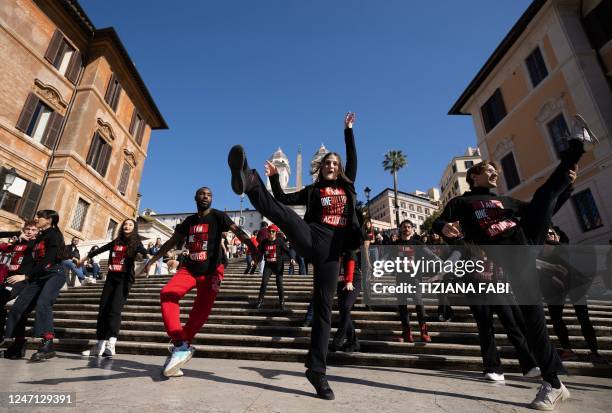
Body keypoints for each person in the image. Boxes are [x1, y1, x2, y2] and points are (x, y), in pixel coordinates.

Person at [433, 114, 597, 411]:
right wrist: (443, 228)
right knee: (532, 323)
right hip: (510, 258)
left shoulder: (506, 201)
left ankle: (577, 147)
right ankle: (555, 384)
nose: (494, 174)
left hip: (526, 237)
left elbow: (542, 207)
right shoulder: (463, 203)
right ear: (473, 177)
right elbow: (442, 221)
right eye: (487, 171)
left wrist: (566, 187)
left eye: (495, 171)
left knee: (544, 194)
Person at [228, 112, 361, 400]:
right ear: (320, 168)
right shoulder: (313, 191)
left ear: (340, 170)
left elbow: (352, 158)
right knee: (285, 215)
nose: (331, 165)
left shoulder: (347, 187)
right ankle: (250, 181)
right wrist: (273, 180)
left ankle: (317, 370)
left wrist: (348, 131)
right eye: (327, 163)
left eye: (335, 164)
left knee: (325, 310)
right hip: (312, 236)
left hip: (333, 252)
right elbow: (284, 200)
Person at [141, 187, 259, 378]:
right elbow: (172, 242)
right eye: (202, 194)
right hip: (190, 268)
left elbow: (237, 231)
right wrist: (152, 260)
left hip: (212, 271)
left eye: (209, 194)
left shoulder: (218, 216)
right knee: (167, 294)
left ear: (212, 199)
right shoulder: (189, 221)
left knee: (201, 309)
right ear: (195, 197)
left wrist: (253, 249)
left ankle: (182, 345)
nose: (205, 196)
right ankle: (180, 343)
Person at [79, 219, 149, 357]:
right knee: (103, 309)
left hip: (124, 279)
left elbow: (144, 252)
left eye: (130, 225)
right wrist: (84, 258)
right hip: (111, 278)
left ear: (134, 228)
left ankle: (111, 344)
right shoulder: (116, 241)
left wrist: (149, 261)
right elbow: (100, 249)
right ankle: (99, 345)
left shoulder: (136, 242)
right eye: (125, 224)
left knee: (115, 310)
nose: (127, 226)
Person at [4, 210, 68, 361]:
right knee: (18, 308)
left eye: (40, 217)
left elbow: (48, 259)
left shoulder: (54, 235)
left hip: (54, 273)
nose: (37, 219)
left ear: (49, 220)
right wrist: (18, 239)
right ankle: (18, 343)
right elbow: (26, 250)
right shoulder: (39, 236)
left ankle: (48, 343)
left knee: (43, 303)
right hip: (38, 277)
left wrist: (26, 276)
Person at [0, 220, 38, 349]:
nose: (29, 232)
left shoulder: (36, 245)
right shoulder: (16, 242)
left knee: (19, 309)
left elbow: (41, 265)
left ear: (37, 232)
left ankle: (17, 341)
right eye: (27, 229)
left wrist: (25, 276)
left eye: (33, 230)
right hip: (8, 279)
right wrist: (16, 236)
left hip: (24, 281)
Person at [392, 220, 431, 343]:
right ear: (400, 229)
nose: (406, 228)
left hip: (415, 277)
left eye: (409, 227)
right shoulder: (395, 244)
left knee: (419, 303)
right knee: (402, 305)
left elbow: (430, 255)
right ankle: (406, 333)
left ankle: (424, 332)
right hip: (401, 277)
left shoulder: (418, 243)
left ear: (412, 229)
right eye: (404, 227)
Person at [330, 249, 361, 352]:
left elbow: (351, 264)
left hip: (353, 281)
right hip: (340, 282)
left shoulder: (349, 250)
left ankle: (338, 341)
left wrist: (349, 281)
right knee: (343, 311)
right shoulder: (334, 250)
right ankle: (353, 342)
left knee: (346, 306)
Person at [254, 224, 291, 310]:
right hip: (268, 265)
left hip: (278, 265)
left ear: (275, 233)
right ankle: (260, 301)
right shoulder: (264, 242)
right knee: (264, 283)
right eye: (269, 231)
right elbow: (259, 252)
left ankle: (282, 302)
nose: (271, 233)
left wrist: (292, 258)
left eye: (273, 232)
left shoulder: (280, 241)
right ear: (267, 232)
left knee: (279, 283)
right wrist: (255, 260)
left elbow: (288, 251)